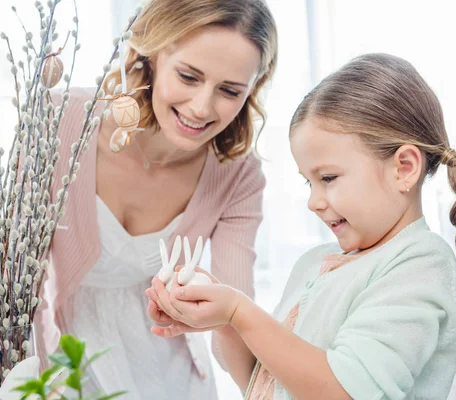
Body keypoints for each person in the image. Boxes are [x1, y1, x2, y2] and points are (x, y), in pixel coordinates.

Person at [146, 53, 456, 399]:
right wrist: (224, 320)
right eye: (308, 182)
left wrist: (241, 311)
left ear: (404, 168)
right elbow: (262, 385)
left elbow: (345, 392)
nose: (313, 201)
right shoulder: (313, 264)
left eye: (328, 177)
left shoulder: (418, 264)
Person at [33, 0, 278, 399]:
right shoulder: (58, 120)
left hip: (164, 365)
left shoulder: (238, 174)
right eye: (188, 76)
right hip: (53, 352)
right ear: (151, 56)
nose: (201, 108)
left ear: (252, 89)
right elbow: (13, 277)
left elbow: (236, 312)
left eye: (229, 90)